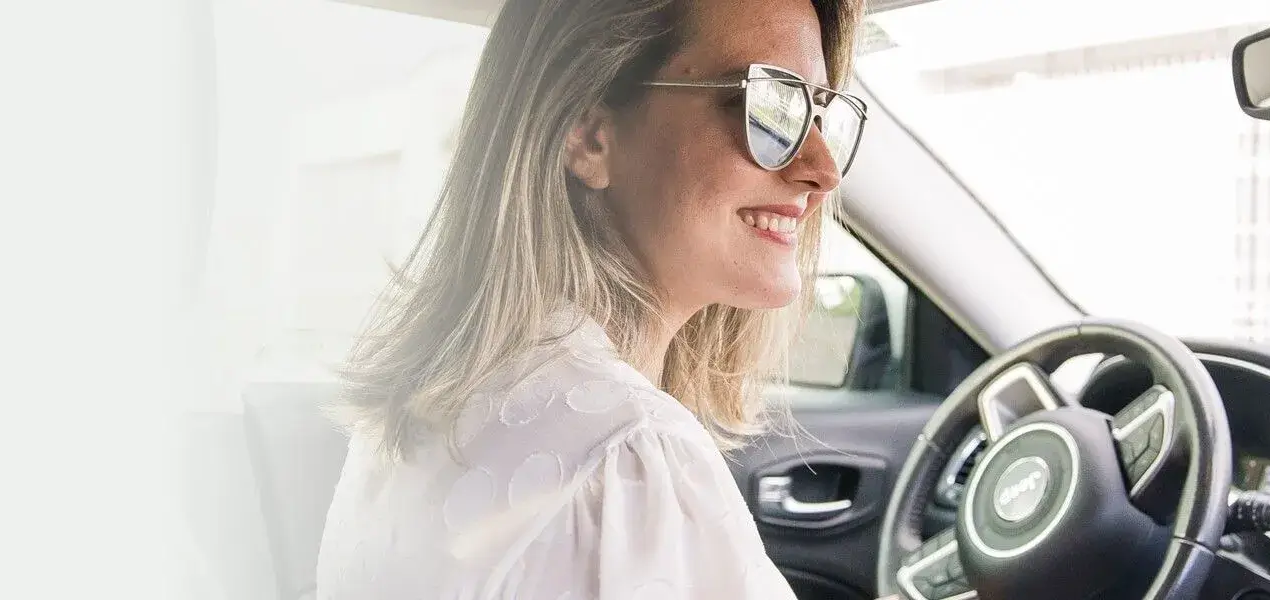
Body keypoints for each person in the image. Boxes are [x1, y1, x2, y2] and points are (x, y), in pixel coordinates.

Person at [317, 0, 870, 597]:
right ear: (588, 135)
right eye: (770, 105)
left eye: (820, 111)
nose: (822, 169)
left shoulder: (422, 415)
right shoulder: (627, 455)